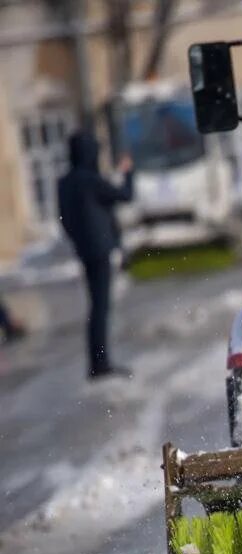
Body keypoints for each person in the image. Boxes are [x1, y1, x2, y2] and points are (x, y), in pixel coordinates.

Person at [56, 131, 134, 379]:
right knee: (100, 307)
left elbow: (65, 220)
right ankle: (100, 363)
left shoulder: (65, 183)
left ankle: (97, 360)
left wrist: (79, 241)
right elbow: (125, 195)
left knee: (95, 306)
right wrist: (128, 172)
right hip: (99, 250)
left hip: (85, 250)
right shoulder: (90, 180)